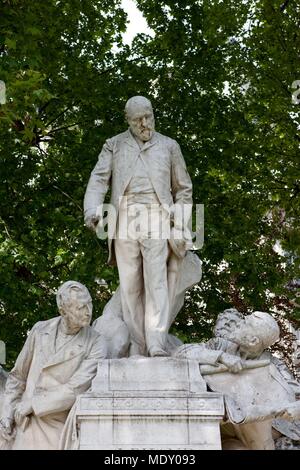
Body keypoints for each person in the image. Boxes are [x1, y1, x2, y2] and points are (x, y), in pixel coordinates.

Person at [84, 96, 193, 357]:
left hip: (157, 216)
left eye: (148, 116)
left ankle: (156, 341)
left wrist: (179, 222)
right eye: (137, 120)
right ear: (128, 120)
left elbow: (183, 190)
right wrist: (92, 208)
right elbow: (99, 179)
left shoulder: (169, 146)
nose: (144, 124)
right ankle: (137, 345)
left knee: (156, 282)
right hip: (124, 219)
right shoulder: (114, 145)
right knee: (130, 284)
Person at [0, 281, 106, 450]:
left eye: (89, 304)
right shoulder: (40, 330)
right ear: (63, 311)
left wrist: (34, 404)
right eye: (80, 307)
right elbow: (18, 376)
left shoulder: (96, 342)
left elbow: (76, 388)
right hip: (25, 424)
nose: (88, 312)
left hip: (56, 425)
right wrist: (7, 413)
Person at [174, 310, 300, 449]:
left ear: (253, 341)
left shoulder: (275, 365)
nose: (238, 323)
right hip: (230, 420)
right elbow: (181, 352)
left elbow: (295, 393)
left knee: (255, 420)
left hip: (267, 424)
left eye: (244, 323)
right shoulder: (220, 346)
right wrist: (221, 357)